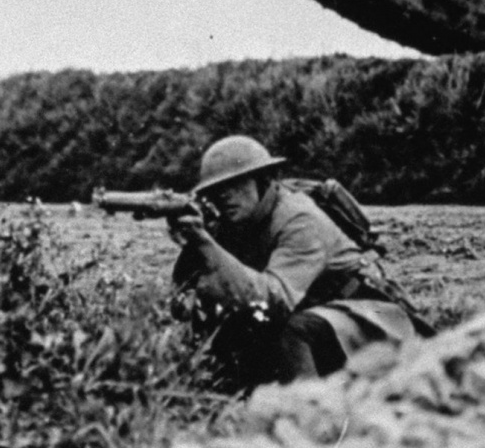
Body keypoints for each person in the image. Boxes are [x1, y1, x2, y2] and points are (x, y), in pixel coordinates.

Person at [166, 135, 421, 388]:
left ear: (263, 180)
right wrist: (195, 246)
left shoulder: (300, 219)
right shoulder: (237, 222)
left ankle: (306, 407)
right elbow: (189, 294)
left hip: (372, 317)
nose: (225, 195)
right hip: (320, 316)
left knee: (296, 330)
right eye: (217, 189)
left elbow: (273, 301)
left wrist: (203, 241)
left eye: (235, 183)